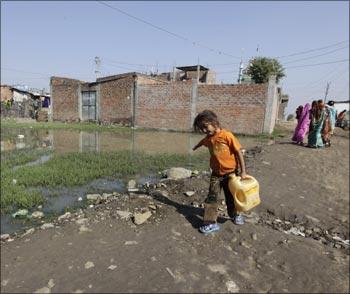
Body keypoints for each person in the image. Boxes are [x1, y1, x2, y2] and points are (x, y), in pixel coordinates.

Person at [192, 110, 247, 234]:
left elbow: (238, 152)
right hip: (216, 174)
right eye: (202, 129)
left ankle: (234, 215)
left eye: (205, 127)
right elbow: (203, 141)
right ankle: (210, 223)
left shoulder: (227, 135)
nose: (204, 131)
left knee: (231, 196)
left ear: (214, 122)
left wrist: (243, 172)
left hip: (232, 174)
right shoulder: (208, 138)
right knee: (212, 197)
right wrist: (196, 146)